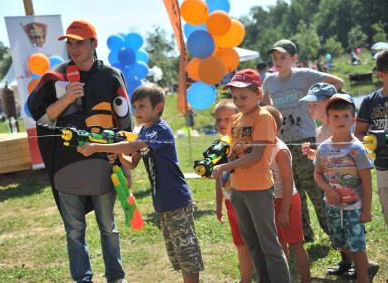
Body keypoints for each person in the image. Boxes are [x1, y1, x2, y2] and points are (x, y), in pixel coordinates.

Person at [27, 20, 133, 283]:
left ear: (94, 43)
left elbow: (125, 122)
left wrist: (125, 162)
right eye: (69, 43)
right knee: (74, 229)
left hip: (103, 163)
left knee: (108, 227)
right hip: (66, 165)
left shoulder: (110, 76)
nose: (73, 48)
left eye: (79, 42)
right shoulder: (55, 77)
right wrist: (67, 99)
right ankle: (82, 279)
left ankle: (116, 277)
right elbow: (39, 117)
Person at [77, 83, 204, 283]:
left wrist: (97, 147)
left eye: (142, 106)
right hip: (162, 201)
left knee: (186, 251)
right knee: (176, 252)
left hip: (176, 199)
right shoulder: (144, 131)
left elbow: (136, 145)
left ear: (158, 107)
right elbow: (133, 161)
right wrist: (116, 156)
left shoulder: (160, 129)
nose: (137, 111)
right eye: (135, 107)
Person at [262, 39, 344, 243]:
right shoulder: (269, 81)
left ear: (294, 58)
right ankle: (304, 235)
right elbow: (265, 105)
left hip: (306, 142)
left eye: (283, 57)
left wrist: (325, 109)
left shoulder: (305, 75)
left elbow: (337, 82)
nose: (278, 61)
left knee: (316, 190)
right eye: (275, 58)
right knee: (293, 192)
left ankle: (335, 235)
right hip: (283, 146)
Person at [212, 69, 290, 283]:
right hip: (238, 191)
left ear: (258, 94)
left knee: (270, 245)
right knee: (252, 244)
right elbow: (228, 148)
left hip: (259, 190)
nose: (238, 101)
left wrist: (226, 165)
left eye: (243, 97)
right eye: (235, 97)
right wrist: (213, 161)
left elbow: (257, 156)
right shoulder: (236, 119)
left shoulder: (264, 117)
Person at [314, 93, 378, 283]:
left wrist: (366, 211)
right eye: (335, 116)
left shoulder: (357, 148)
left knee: (357, 246)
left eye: (345, 116)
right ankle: (366, 265)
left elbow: (367, 182)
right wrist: (327, 189)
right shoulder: (323, 148)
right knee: (339, 243)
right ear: (327, 120)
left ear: (354, 118)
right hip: (333, 207)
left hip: (354, 209)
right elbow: (318, 173)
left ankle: (363, 276)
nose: (340, 120)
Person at [299, 83, 355, 276]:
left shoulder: (339, 127)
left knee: (349, 223)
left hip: (346, 185)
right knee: (335, 224)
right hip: (328, 185)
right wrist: (311, 154)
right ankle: (346, 261)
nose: (310, 108)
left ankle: (357, 262)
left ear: (328, 103)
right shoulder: (318, 131)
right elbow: (323, 159)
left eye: (314, 104)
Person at [264, 105, 311, 283]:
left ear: (273, 126)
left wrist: (284, 210)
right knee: (280, 244)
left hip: (287, 200)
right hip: (273, 200)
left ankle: (306, 279)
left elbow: (288, 181)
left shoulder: (280, 150)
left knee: (296, 243)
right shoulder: (263, 146)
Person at [213, 99, 253, 283]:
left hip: (248, 200)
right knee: (240, 243)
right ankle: (245, 278)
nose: (222, 123)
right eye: (218, 119)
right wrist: (218, 203)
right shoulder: (218, 146)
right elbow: (218, 178)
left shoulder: (245, 144)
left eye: (227, 119)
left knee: (255, 241)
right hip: (231, 202)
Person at [355, 49, 388, 227]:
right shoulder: (370, 101)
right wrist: (370, 141)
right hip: (383, 166)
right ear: (381, 75)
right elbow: (359, 132)